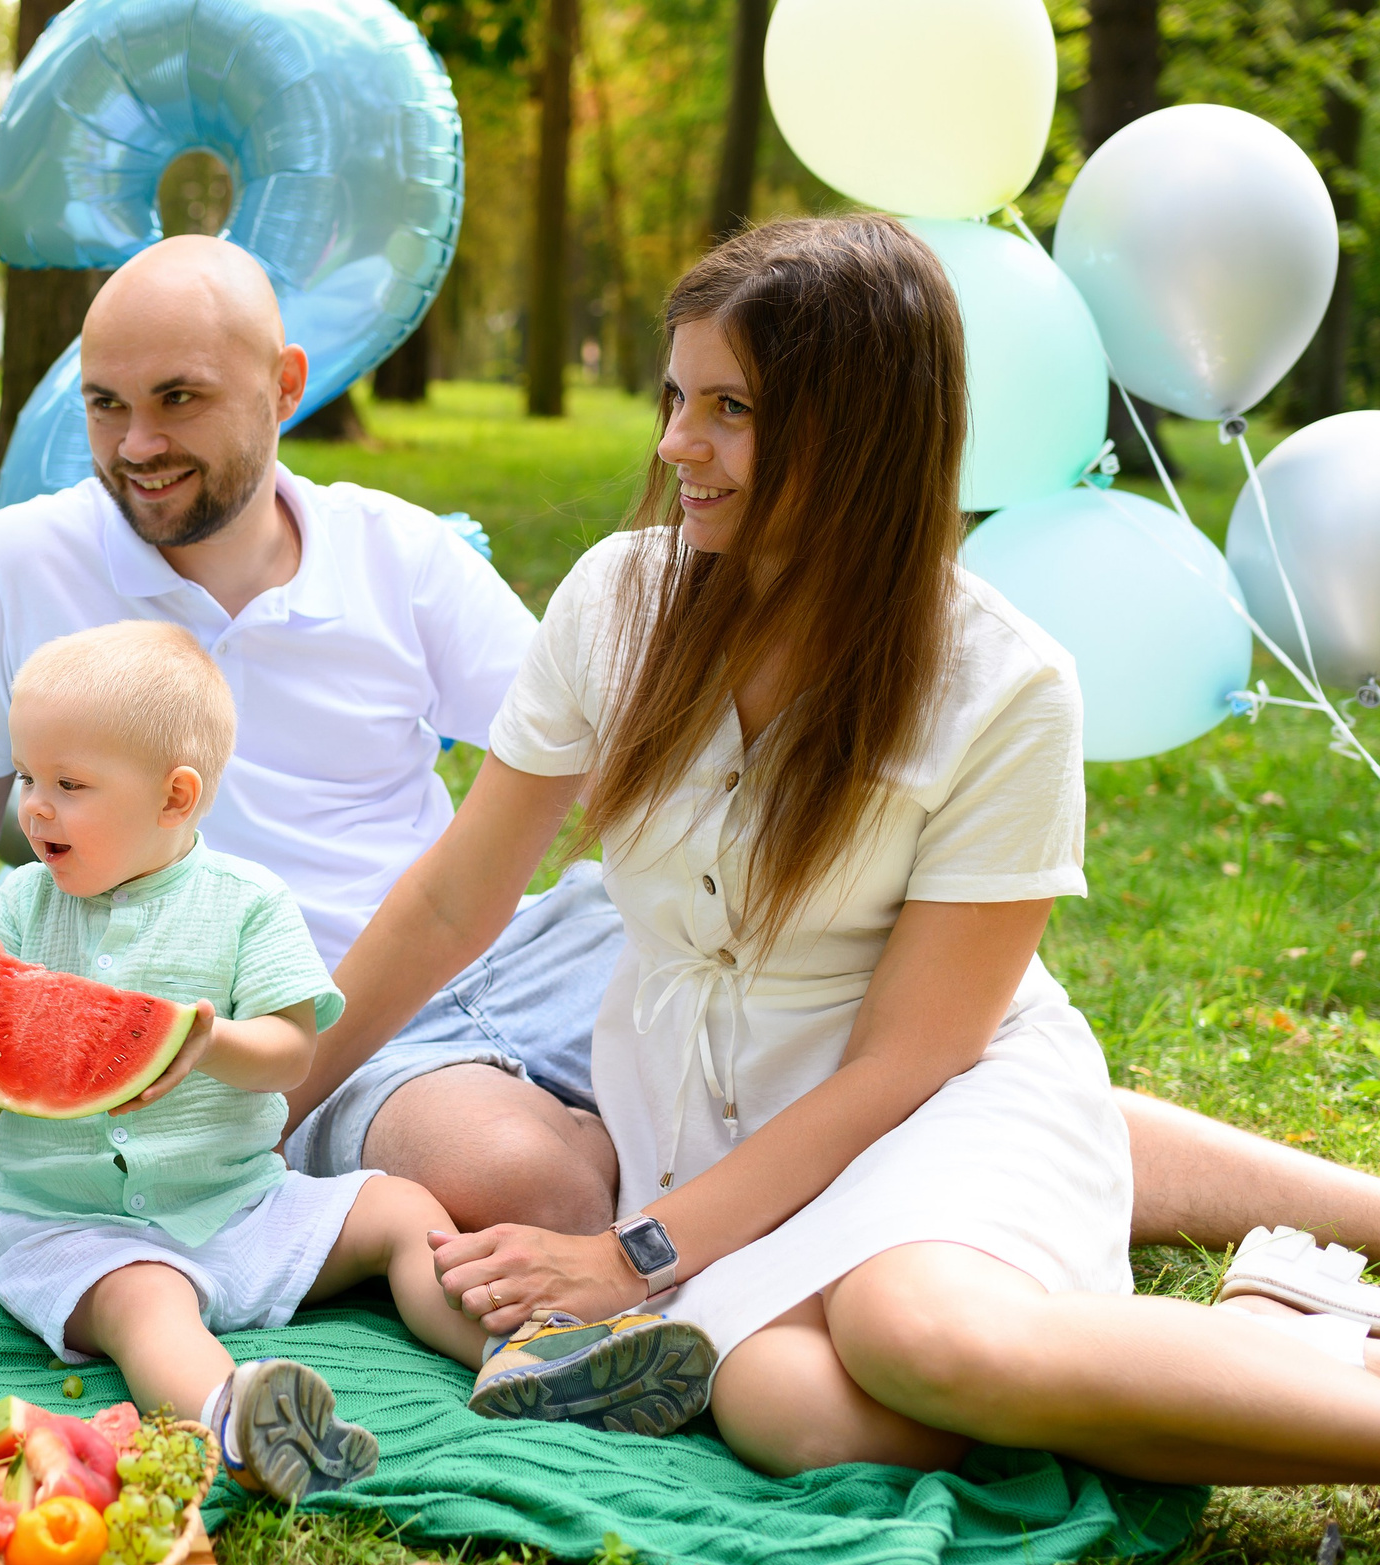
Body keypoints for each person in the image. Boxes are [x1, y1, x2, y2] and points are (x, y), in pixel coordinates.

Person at [0, 231, 1380, 1292]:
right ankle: (695, 1198)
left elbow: (591, 791)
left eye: (179, 399)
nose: (135, 443)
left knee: (873, 1037)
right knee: (540, 1182)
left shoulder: (397, 552)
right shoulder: (18, 565)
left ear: (284, 380)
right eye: (106, 403)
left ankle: (1342, 1208)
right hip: (320, 1004)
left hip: (532, 944)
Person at [301, 215, 1380, 1482]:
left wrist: (637, 1256)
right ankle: (1277, 1333)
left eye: (730, 410)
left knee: (914, 1332)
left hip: (937, 1102)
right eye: (675, 397)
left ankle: (1290, 1363)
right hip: (721, 1139)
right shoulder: (614, 600)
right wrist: (266, 1104)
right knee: (784, 1411)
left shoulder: (1007, 684)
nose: (675, 444)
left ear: (860, 433)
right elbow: (451, 901)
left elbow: (906, 1058)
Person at [0, 622, 488, 1504]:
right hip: (75, 1229)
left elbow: (290, 1050)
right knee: (144, 1302)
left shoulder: (248, 903)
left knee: (400, 1211)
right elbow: (0, 1020)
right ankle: (239, 1419)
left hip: (244, 1204)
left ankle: (516, 1351)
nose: (34, 807)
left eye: (69, 785)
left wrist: (211, 1042)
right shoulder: (21, 901)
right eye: (26, 777)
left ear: (174, 796)